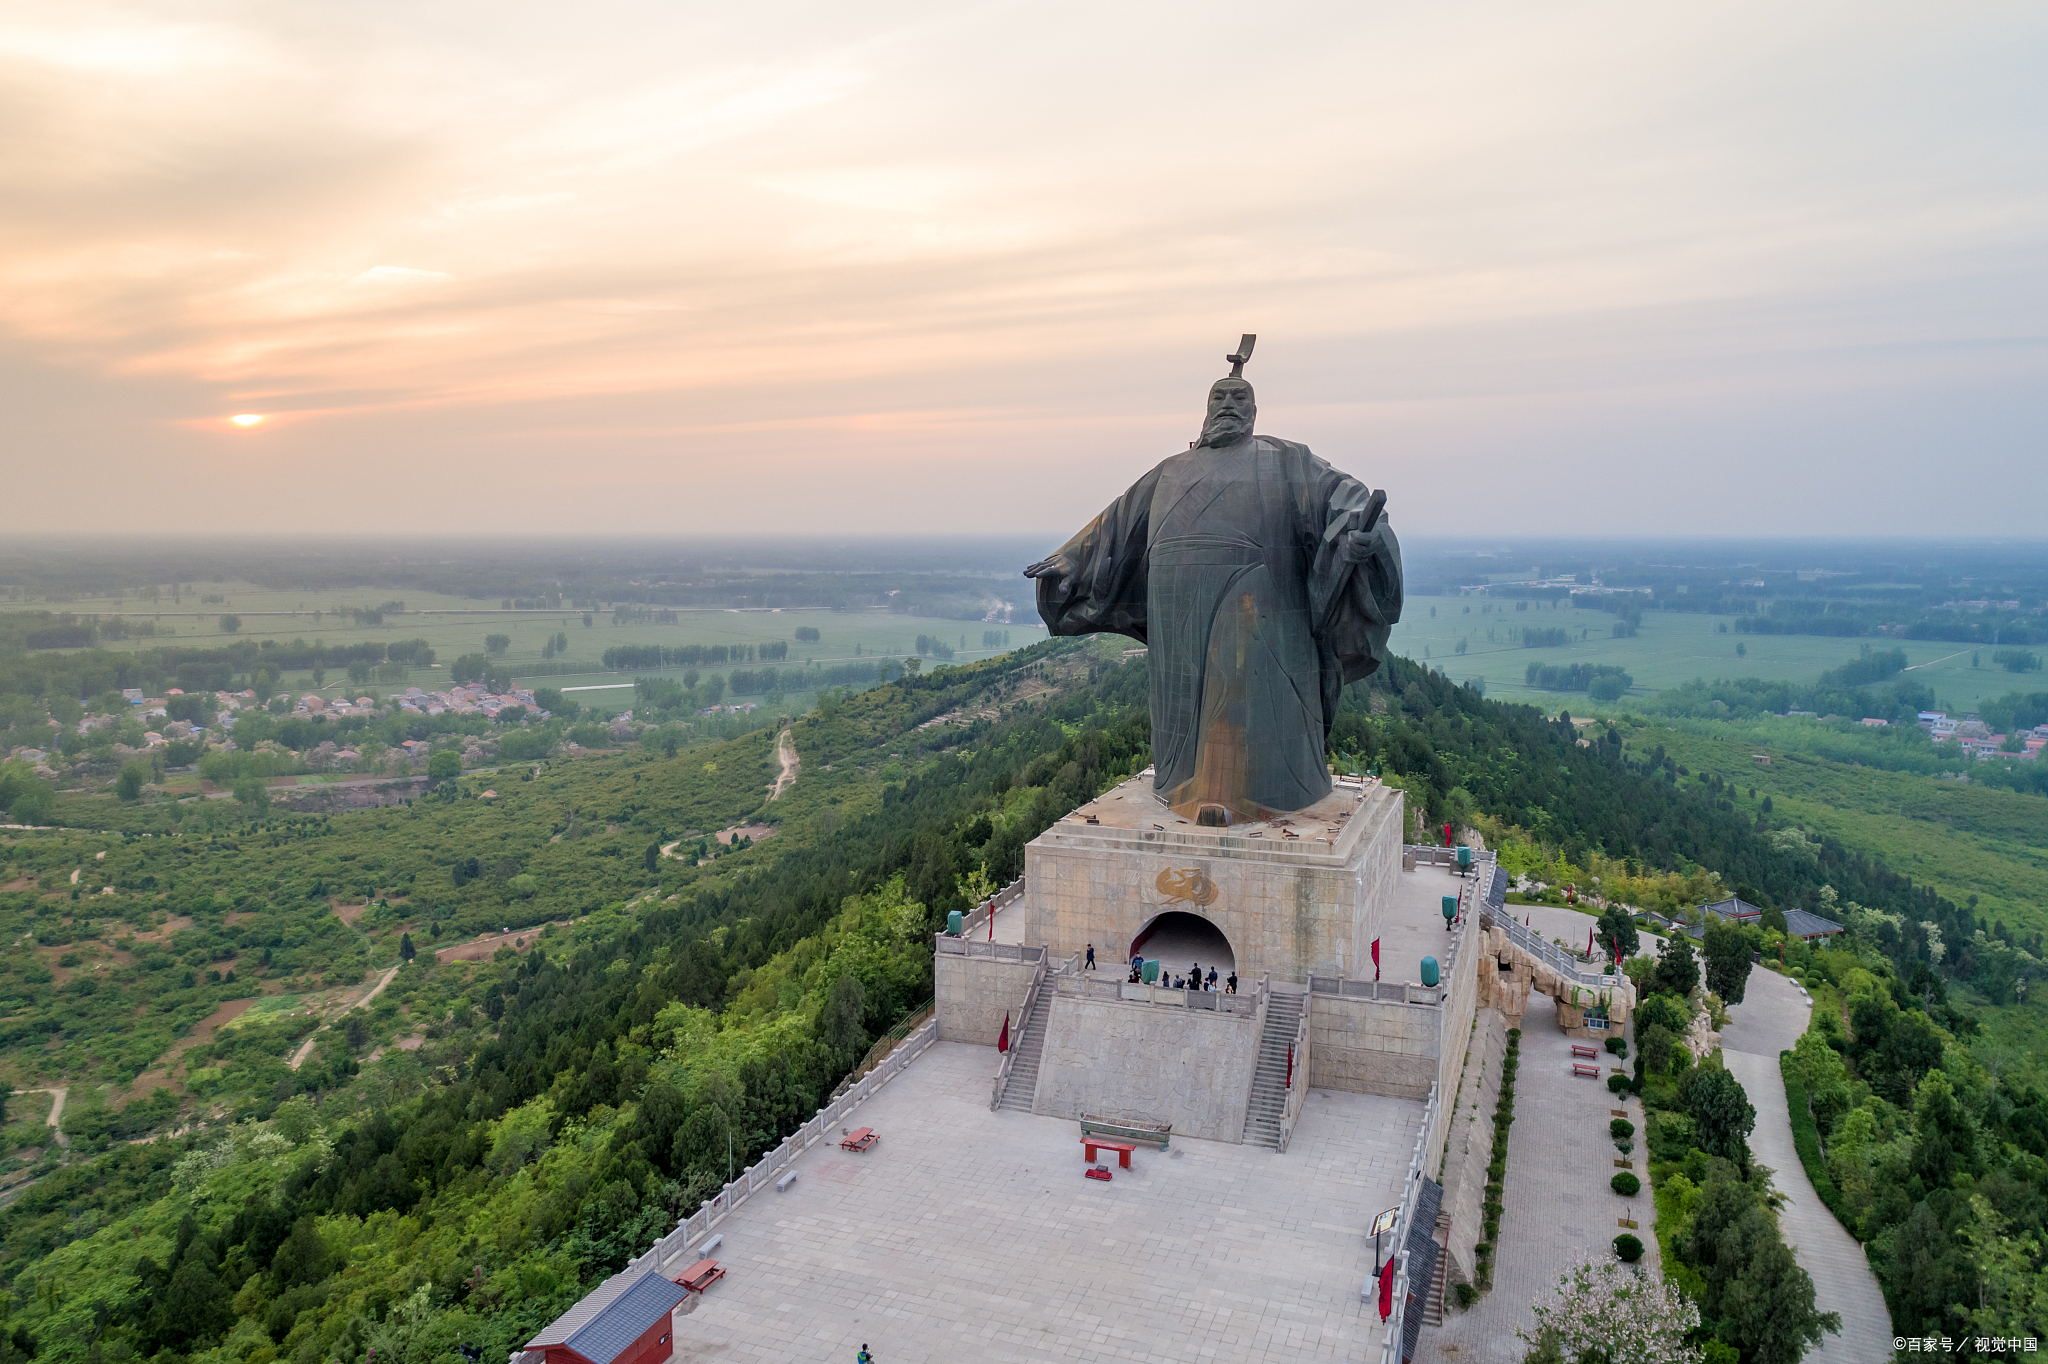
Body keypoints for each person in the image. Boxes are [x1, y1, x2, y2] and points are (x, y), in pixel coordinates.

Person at [1024, 340, 1403, 822]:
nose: (1228, 404)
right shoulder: (1170, 471)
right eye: (1219, 397)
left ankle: (1246, 796)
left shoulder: (1286, 459)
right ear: (1205, 410)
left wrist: (1357, 528)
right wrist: (1068, 562)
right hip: (1176, 613)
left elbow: (1344, 496)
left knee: (1244, 701)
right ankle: (1182, 786)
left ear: (1255, 410)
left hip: (1260, 607)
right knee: (1183, 715)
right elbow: (1114, 527)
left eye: (1238, 398)